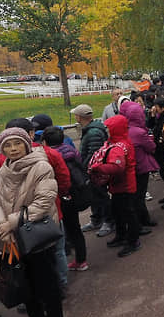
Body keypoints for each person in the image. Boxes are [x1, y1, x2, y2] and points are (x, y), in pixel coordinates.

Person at [0, 128, 64, 317]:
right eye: (7, 145)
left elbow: (44, 202)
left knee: (46, 282)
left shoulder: (40, 166)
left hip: (34, 235)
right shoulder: (4, 169)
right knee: (24, 281)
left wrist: (12, 222)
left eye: (17, 144)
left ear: (26, 144)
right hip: (11, 237)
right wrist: (0, 225)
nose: (12, 149)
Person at [91, 115, 142, 257]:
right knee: (118, 212)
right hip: (119, 185)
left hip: (124, 186)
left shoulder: (120, 146)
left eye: (109, 128)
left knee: (128, 213)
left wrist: (98, 168)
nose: (106, 130)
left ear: (116, 129)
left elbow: (117, 167)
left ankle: (133, 241)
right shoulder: (118, 142)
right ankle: (121, 235)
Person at [42, 127, 90, 272]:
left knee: (64, 229)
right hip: (76, 193)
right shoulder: (71, 150)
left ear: (44, 141)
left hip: (62, 195)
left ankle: (71, 260)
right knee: (75, 228)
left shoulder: (50, 156)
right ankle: (82, 259)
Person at [72, 104, 113, 236]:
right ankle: (97, 219)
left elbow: (94, 154)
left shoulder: (93, 132)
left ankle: (108, 220)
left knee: (100, 195)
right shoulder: (91, 129)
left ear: (79, 117)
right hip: (91, 169)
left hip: (95, 170)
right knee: (94, 196)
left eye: (76, 115)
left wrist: (84, 168)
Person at [120, 101, 159, 229]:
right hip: (141, 167)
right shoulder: (139, 132)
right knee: (139, 196)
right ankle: (143, 220)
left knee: (133, 195)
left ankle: (138, 221)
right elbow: (151, 147)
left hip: (129, 167)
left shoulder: (125, 129)